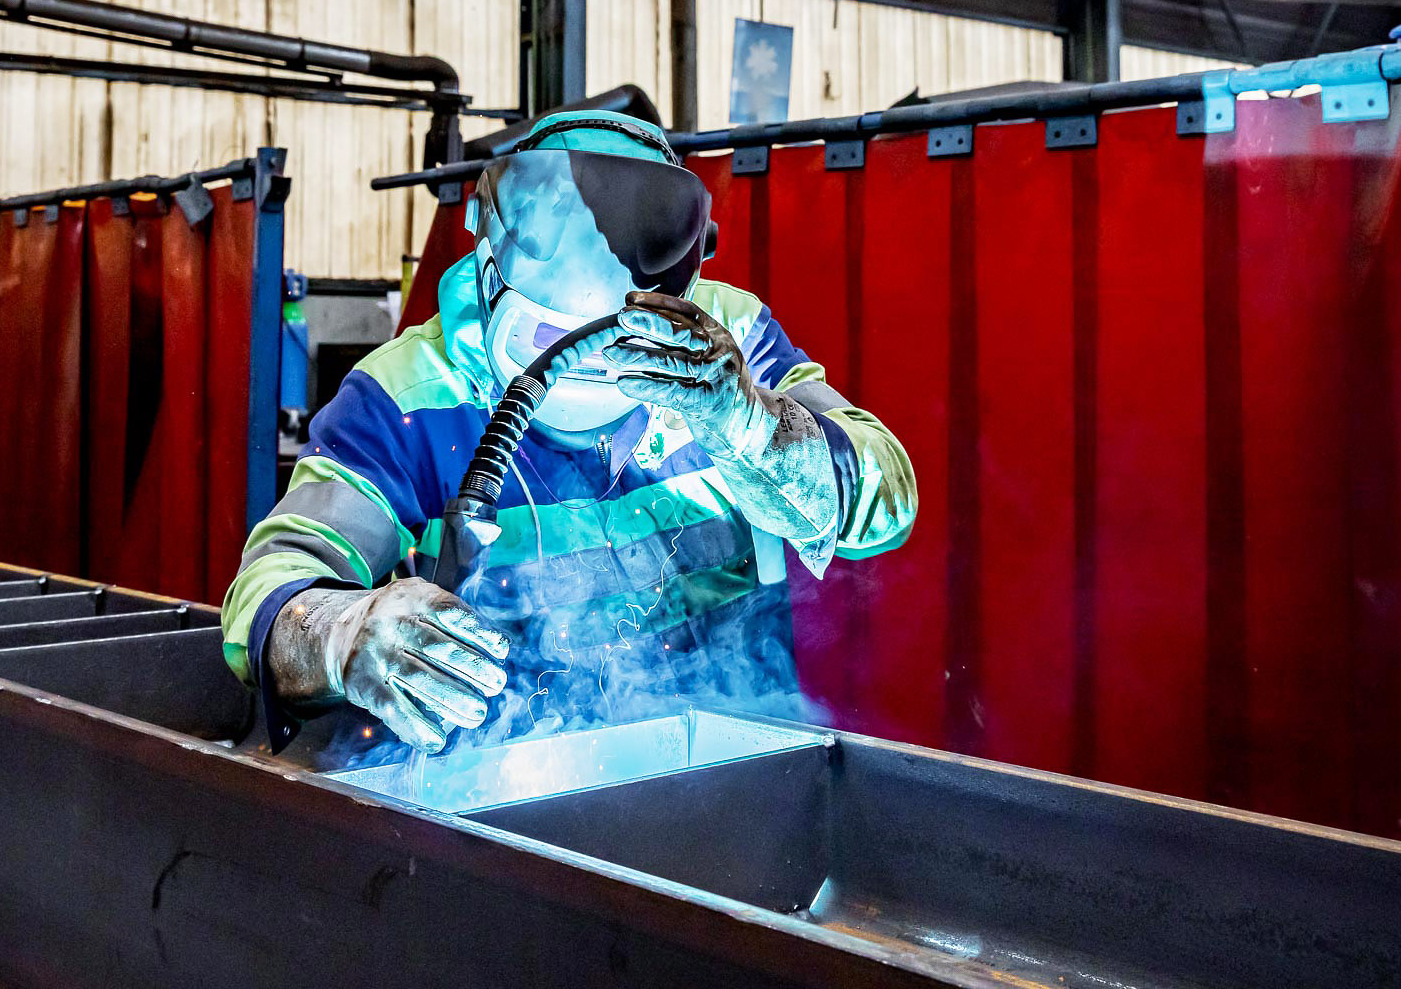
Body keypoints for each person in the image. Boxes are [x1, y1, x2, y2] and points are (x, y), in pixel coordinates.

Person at [221, 111, 917, 755]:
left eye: (615, 343)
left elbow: (888, 501)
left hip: (736, 761)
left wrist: (752, 425)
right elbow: (271, 587)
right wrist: (341, 633)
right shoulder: (407, 393)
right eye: (552, 337)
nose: (581, 364)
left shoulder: (725, 339)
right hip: (508, 796)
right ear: (491, 260)